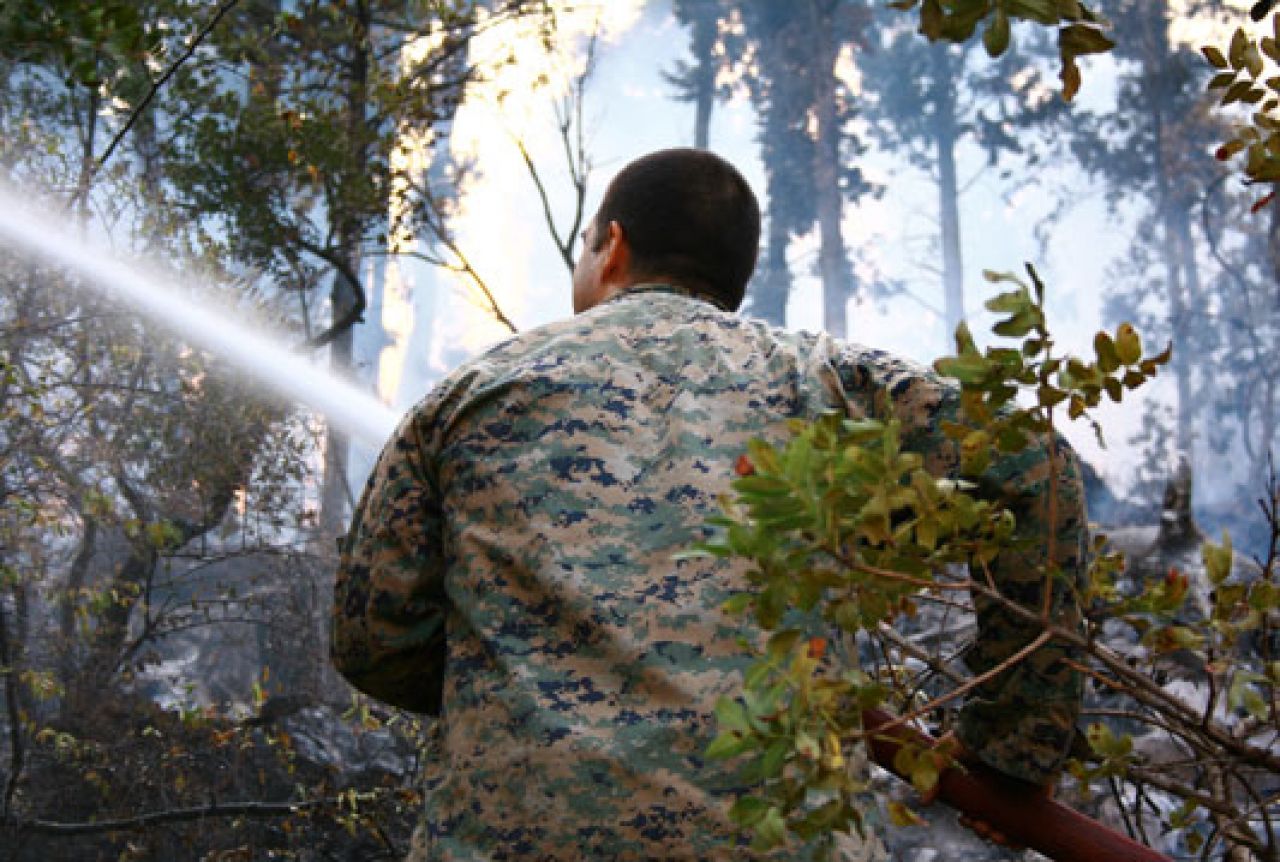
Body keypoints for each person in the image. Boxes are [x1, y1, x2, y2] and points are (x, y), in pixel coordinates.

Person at [332, 148, 1086, 861]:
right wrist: (1011, 750)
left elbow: (374, 642)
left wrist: (518, 671)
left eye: (584, 245)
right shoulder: (821, 381)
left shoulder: (473, 395)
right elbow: (1032, 462)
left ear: (613, 246)